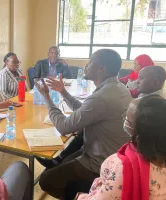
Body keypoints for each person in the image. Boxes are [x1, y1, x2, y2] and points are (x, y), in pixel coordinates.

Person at [34, 49, 132, 199]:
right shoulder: (116, 88)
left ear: (101, 68)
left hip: (100, 163)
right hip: (110, 155)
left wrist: (46, 96)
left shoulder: (103, 96)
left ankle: (86, 195)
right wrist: (63, 92)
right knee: (60, 163)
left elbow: (63, 127)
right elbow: (85, 111)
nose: (86, 65)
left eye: (90, 61)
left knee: (46, 180)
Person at [77, 95, 166, 200]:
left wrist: (81, 196)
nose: (125, 120)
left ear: (140, 135)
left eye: (127, 120)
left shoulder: (125, 168)